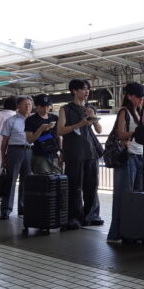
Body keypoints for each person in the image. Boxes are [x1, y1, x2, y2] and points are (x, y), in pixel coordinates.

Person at [57, 79, 103, 229]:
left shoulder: (90, 108)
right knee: (74, 185)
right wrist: (79, 124)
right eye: (83, 89)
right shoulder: (65, 109)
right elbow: (60, 131)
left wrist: (93, 118)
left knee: (92, 184)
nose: (87, 91)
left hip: (90, 151)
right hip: (74, 152)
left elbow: (99, 130)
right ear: (74, 91)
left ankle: (92, 215)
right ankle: (74, 217)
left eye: (88, 89)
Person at [107, 83, 144, 244]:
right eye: (138, 97)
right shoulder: (124, 111)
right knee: (123, 196)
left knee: (137, 196)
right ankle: (116, 233)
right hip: (127, 156)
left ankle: (132, 231)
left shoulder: (139, 112)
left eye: (143, 97)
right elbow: (120, 133)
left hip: (138, 156)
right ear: (129, 96)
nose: (141, 100)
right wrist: (136, 132)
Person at [0, 96, 33, 221]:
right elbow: (4, 141)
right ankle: (6, 210)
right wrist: (3, 157)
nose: (27, 107)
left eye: (29, 104)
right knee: (10, 180)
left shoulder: (34, 120)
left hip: (29, 151)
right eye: (24, 104)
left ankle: (23, 209)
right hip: (14, 150)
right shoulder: (10, 120)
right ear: (18, 106)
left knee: (27, 181)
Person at [26, 94, 61, 174]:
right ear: (36, 106)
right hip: (40, 155)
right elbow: (29, 140)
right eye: (42, 107)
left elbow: (59, 136)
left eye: (48, 106)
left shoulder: (54, 118)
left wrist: (61, 151)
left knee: (58, 178)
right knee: (43, 180)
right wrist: (41, 129)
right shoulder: (30, 120)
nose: (45, 109)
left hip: (54, 154)